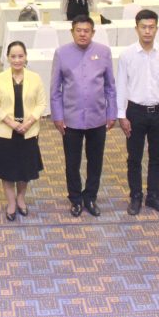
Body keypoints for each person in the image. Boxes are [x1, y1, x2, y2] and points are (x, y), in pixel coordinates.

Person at [50, 15, 116, 217]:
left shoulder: (103, 52)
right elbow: (55, 90)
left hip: (97, 117)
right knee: (72, 162)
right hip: (71, 118)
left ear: (93, 32)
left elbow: (110, 87)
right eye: (78, 30)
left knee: (95, 161)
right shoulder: (61, 53)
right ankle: (76, 199)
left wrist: (111, 113)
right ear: (72, 32)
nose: (82, 34)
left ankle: (91, 197)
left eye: (86, 31)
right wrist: (57, 116)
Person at [115, 10, 159, 216]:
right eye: (143, 27)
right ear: (136, 29)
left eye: (151, 27)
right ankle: (135, 196)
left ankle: (153, 195)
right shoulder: (127, 55)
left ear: (157, 29)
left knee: (157, 157)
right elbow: (121, 85)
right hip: (135, 111)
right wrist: (121, 115)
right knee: (134, 158)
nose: (147, 31)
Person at [0, 41, 46, 221]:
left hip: (29, 131)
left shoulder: (35, 78)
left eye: (20, 56)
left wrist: (29, 122)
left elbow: (41, 104)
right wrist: (11, 123)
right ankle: (11, 202)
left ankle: (21, 198)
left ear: (26, 57)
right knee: (6, 170)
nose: (17, 60)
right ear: (7, 58)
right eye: (13, 56)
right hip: (5, 131)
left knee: (25, 170)